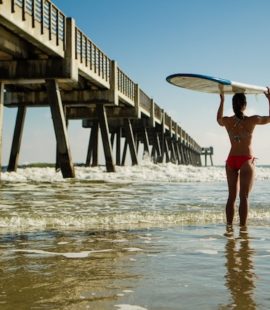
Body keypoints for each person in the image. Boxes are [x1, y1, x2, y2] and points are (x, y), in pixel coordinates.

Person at [217, 88, 270, 228]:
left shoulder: (227, 121)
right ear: (244, 105)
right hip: (246, 160)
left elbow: (218, 120)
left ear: (233, 106)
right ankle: (243, 229)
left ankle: (229, 227)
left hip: (231, 160)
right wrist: (269, 100)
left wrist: (222, 101)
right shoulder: (253, 120)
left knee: (231, 197)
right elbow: (269, 119)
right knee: (244, 197)